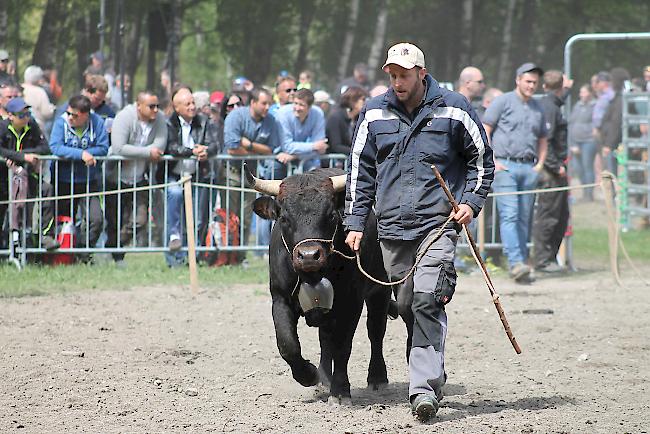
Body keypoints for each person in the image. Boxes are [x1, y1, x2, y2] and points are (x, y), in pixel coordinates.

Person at [344, 42, 493, 423]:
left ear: (421, 74)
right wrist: (356, 222)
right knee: (407, 306)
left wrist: (471, 202)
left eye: (404, 75)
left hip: (438, 223)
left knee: (428, 299)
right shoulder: (374, 112)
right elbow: (360, 172)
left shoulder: (454, 107)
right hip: (392, 228)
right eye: (392, 75)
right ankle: (432, 367)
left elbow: (482, 160)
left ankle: (423, 388)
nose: (397, 82)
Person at [483, 62, 548, 283]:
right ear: (518, 80)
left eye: (535, 83)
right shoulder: (502, 101)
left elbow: (543, 138)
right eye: (528, 81)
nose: (531, 86)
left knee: (524, 217)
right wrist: (492, 161)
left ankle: (521, 262)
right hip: (505, 167)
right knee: (509, 215)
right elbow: (486, 129)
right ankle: (516, 263)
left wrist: (539, 165)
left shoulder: (538, 107)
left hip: (529, 168)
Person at [105, 91, 167, 266]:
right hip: (115, 179)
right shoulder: (124, 117)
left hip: (140, 178)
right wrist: (147, 152)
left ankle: (113, 245)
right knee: (115, 220)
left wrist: (137, 152)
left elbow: (160, 145)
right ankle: (117, 257)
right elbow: (118, 148)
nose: (156, 110)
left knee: (140, 220)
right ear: (139, 106)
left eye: (157, 106)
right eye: (151, 106)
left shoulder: (159, 118)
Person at [222, 87, 282, 258]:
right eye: (264, 103)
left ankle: (240, 257)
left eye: (269, 104)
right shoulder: (236, 116)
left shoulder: (270, 120)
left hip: (252, 176)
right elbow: (232, 147)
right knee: (229, 216)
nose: (267, 107)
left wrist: (248, 145)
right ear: (253, 102)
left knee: (246, 217)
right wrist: (257, 150)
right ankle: (226, 256)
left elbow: (271, 149)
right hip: (231, 173)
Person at [164, 87, 219, 267]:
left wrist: (206, 151)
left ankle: (192, 258)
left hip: (198, 175)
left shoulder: (204, 121)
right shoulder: (169, 123)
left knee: (199, 219)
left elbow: (214, 145)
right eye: (187, 104)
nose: (192, 107)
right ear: (177, 107)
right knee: (175, 201)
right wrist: (192, 151)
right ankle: (174, 259)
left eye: (193, 103)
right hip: (174, 174)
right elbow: (171, 147)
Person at [49, 95, 109, 255]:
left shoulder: (97, 122)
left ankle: (83, 252)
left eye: (74, 115)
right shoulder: (61, 122)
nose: (70, 117)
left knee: (96, 219)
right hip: (63, 180)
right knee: (65, 220)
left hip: (89, 181)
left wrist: (89, 153)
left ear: (85, 115)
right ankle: (64, 255)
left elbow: (103, 147)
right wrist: (81, 154)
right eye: (69, 113)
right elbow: (55, 147)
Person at [0, 97, 58, 251]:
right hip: (4, 180)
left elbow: (45, 148)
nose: (26, 117)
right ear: (10, 116)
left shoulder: (32, 125)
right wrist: (21, 157)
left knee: (47, 190)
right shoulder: (2, 127)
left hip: (27, 176)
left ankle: (46, 235)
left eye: (27, 113)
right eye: (21, 115)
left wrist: (22, 154)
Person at [533, 70, 570, 273]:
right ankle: (542, 260)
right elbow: (545, 141)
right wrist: (556, 166)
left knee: (561, 216)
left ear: (544, 86)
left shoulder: (552, 104)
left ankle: (549, 258)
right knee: (549, 216)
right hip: (552, 170)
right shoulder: (550, 107)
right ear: (561, 86)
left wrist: (567, 92)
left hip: (556, 169)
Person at [274, 88, 327, 174]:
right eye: (295, 103)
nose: (297, 108)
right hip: (279, 157)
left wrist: (294, 156)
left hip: (301, 158)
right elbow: (287, 147)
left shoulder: (318, 113)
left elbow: (320, 149)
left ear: (310, 107)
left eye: (301, 105)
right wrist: (313, 146)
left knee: (315, 174)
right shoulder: (283, 114)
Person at [568, 84, 596, 201]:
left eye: (584, 92)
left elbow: (596, 124)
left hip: (588, 141)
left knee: (587, 166)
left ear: (590, 93)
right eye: (581, 92)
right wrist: (572, 144)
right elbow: (571, 123)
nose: (581, 95)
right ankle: (584, 191)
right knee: (578, 168)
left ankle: (589, 194)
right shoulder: (577, 106)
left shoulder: (594, 106)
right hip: (575, 142)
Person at [600, 67, 630, 176]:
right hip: (614, 142)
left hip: (615, 143)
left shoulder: (621, 99)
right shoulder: (619, 97)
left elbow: (616, 123)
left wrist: (608, 144)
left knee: (612, 175)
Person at [326, 86, 368, 156]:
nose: (365, 102)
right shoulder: (335, 118)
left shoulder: (359, 119)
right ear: (352, 100)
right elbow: (336, 146)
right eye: (363, 99)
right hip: (334, 162)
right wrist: (359, 152)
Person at [592, 71, 615, 173]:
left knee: (609, 161)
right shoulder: (602, 95)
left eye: (598, 82)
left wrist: (599, 127)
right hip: (601, 130)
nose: (596, 84)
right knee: (604, 162)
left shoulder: (610, 95)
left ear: (604, 82)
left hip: (606, 131)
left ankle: (613, 186)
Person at [22, 66, 55, 134]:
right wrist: (52, 109)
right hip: (37, 127)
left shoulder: (18, 89)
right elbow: (47, 113)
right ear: (38, 78)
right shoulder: (39, 92)